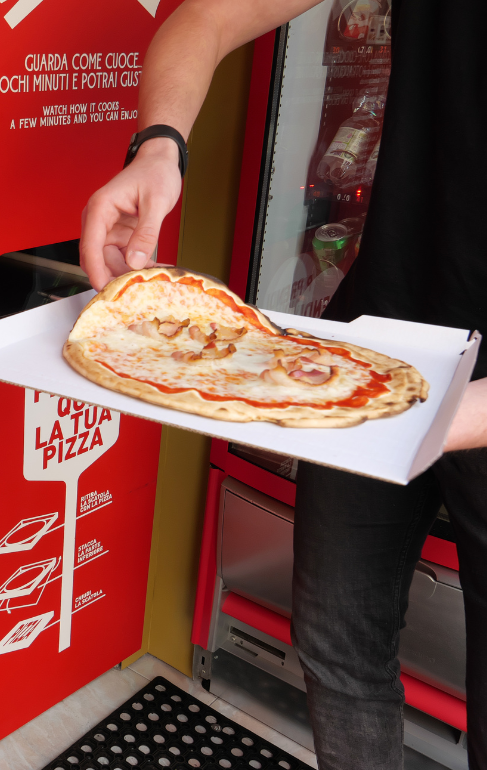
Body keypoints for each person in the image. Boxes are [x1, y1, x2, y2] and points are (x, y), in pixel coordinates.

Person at [78, 0, 487, 767]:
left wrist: (452, 413)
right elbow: (202, 19)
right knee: (336, 644)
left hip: (451, 403)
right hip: (376, 344)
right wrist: (158, 148)